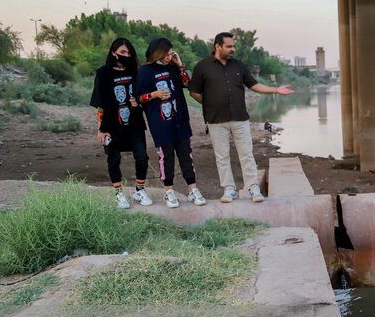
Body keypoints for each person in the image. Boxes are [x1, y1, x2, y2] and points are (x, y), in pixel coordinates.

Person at [189, 32, 293, 203]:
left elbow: (254, 84)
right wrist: (209, 104)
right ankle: (229, 189)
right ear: (218, 46)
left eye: (233, 46)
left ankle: (253, 188)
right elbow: (194, 91)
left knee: (246, 154)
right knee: (222, 156)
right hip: (216, 120)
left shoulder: (238, 66)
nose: (233, 49)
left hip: (239, 118)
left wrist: (275, 89)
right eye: (229, 46)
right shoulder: (202, 67)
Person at [136, 37, 206, 208]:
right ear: (157, 53)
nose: (169, 57)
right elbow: (138, 98)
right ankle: (169, 192)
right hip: (160, 122)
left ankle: (193, 190)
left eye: (170, 54)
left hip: (180, 119)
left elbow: (186, 83)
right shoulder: (145, 71)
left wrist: (179, 64)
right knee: (166, 157)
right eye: (166, 54)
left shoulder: (173, 68)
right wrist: (154, 95)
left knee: (186, 155)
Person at [90, 38, 151, 209]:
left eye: (129, 53)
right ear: (113, 53)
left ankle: (139, 190)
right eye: (123, 52)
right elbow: (100, 104)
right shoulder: (103, 73)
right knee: (114, 158)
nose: (126, 55)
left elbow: (143, 97)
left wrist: (137, 103)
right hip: (111, 124)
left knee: (142, 157)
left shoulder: (136, 72)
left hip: (134, 123)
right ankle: (119, 193)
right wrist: (100, 129)